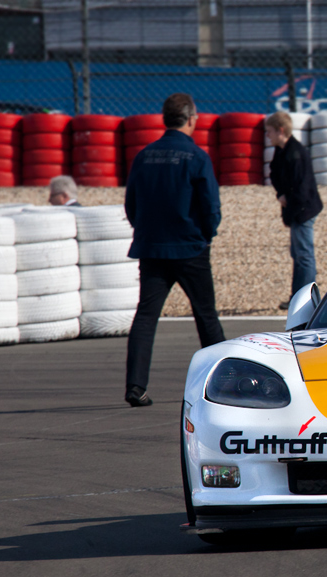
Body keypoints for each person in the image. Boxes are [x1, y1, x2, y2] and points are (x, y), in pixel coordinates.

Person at [123, 92, 225, 407]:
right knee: (206, 315)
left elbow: (131, 205)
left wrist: (146, 231)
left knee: (145, 316)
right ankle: (226, 384)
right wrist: (207, 235)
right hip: (190, 246)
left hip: (152, 247)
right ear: (192, 119)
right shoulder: (196, 157)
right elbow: (210, 207)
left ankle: (135, 386)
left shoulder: (144, 156)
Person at [265, 111, 323, 310]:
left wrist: (289, 200)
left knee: (305, 255)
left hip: (304, 210)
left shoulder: (295, 153)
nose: (267, 136)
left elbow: (302, 188)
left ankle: (308, 303)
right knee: (298, 254)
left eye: (270, 132)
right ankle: (297, 298)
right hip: (295, 209)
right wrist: (281, 193)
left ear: (281, 131)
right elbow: (274, 175)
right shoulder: (281, 151)